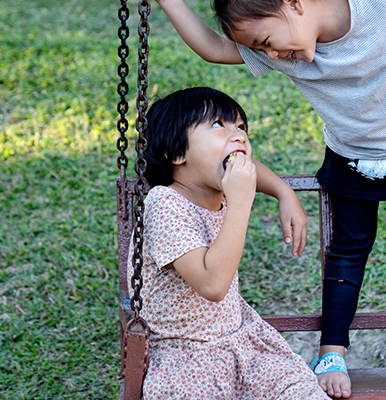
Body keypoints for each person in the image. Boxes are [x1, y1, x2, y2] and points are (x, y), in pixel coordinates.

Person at [154, 0, 386, 398]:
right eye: (261, 49)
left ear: (295, 3)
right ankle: (331, 352)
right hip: (350, 157)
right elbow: (214, 47)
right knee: (347, 249)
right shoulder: (286, 51)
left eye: (266, 42)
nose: (270, 56)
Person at [132, 86, 330, 400]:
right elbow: (212, 285)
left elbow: (251, 166)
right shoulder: (164, 203)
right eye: (218, 125)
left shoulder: (216, 188)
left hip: (242, 348)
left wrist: (284, 193)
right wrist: (240, 203)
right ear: (176, 152)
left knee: (298, 389)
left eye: (241, 127)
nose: (239, 135)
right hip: (186, 361)